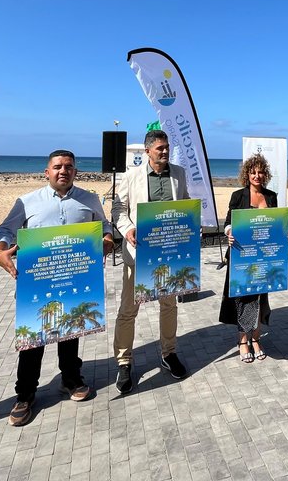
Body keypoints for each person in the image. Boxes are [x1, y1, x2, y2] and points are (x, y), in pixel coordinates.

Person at [0, 149, 113, 427]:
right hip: (39, 282)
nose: (63, 171)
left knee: (71, 333)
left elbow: (103, 225)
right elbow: (4, 231)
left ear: (75, 171)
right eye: (57, 167)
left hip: (75, 279)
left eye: (68, 167)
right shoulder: (26, 201)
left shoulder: (89, 199)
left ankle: (71, 380)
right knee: (33, 340)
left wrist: (107, 239)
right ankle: (25, 395)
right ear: (47, 172)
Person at [112, 130, 190, 393]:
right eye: (160, 148)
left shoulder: (179, 174)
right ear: (147, 151)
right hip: (139, 253)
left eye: (167, 147)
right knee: (128, 309)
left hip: (170, 252)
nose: (165, 152)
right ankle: (124, 362)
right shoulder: (131, 176)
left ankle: (169, 353)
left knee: (169, 305)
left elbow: (184, 204)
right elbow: (118, 209)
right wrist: (128, 229)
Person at [220, 153, 277, 362]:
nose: (257, 176)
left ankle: (256, 338)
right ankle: (243, 340)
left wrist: (283, 233)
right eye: (253, 172)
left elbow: (275, 223)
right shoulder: (238, 196)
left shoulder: (271, 196)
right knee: (243, 299)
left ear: (265, 174)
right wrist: (229, 233)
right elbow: (228, 222)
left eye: (261, 172)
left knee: (261, 298)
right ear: (247, 174)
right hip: (242, 255)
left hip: (264, 257)